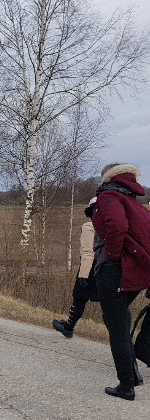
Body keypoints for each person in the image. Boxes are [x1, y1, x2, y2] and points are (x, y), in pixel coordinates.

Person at [91, 163, 150, 400]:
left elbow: (116, 226)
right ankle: (133, 374)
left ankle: (126, 385)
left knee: (115, 325)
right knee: (119, 318)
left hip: (115, 270)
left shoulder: (108, 197)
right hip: (135, 271)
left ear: (108, 178)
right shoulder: (135, 204)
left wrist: (113, 257)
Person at [52, 198, 99, 338]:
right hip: (109, 268)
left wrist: (83, 275)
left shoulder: (89, 226)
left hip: (91, 268)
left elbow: (88, 253)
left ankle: (68, 327)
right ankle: (122, 338)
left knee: (79, 298)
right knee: (111, 305)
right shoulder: (112, 225)